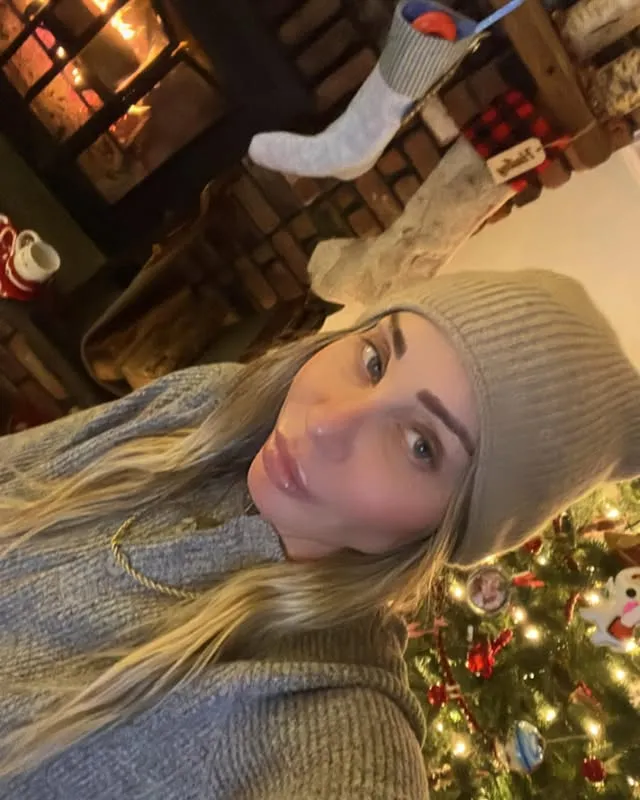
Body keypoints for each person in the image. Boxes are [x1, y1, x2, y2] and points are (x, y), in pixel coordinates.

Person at [1, 270, 639, 799]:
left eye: (421, 444)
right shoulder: (209, 406)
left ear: (448, 529)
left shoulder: (334, 722)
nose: (328, 423)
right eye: (374, 359)